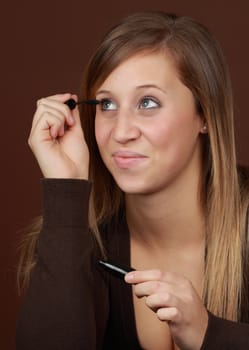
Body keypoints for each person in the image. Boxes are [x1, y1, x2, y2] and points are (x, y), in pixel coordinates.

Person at [16, 11, 249, 350]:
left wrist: (209, 335)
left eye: (148, 102)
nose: (121, 132)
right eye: (107, 104)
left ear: (206, 116)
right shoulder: (78, 238)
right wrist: (65, 190)